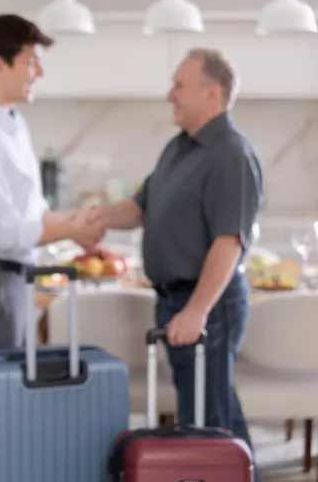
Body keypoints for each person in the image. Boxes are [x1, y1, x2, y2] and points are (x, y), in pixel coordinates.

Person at [91, 48, 263, 477]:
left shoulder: (231, 154)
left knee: (207, 418)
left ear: (212, 92)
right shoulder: (179, 148)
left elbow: (230, 242)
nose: (170, 95)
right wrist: (94, 219)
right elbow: (141, 206)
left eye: (179, 86)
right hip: (174, 300)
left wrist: (197, 310)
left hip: (207, 305)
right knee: (210, 410)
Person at [0, 13, 103, 352]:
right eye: (32, 63)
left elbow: (34, 212)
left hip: (12, 282)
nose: (40, 73)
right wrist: (75, 229)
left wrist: (78, 224)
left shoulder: (12, 124)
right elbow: (6, 234)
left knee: (12, 398)